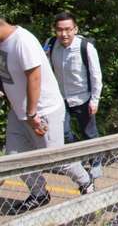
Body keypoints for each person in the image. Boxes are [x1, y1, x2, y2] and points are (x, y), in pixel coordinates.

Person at [0, 16, 94, 213]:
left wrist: (33, 113)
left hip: (42, 110)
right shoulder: (3, 44)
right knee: (15, 156)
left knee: (56, 158)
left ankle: (86, 183)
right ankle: (39, 193)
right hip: (18, 111)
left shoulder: (22, 41)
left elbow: (34, 75)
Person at [46, 11, 103, 179]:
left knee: (89, 133)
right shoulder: (50, 44)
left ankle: (96, 161)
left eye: (68, 29)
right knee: (63, 133)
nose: (64, 34)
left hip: (83, 98)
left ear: (75, 29)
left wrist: (95, 100)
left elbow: (96, 75)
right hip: (60, 98)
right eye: (60, 29)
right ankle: (75, 162)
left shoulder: (85, 47)